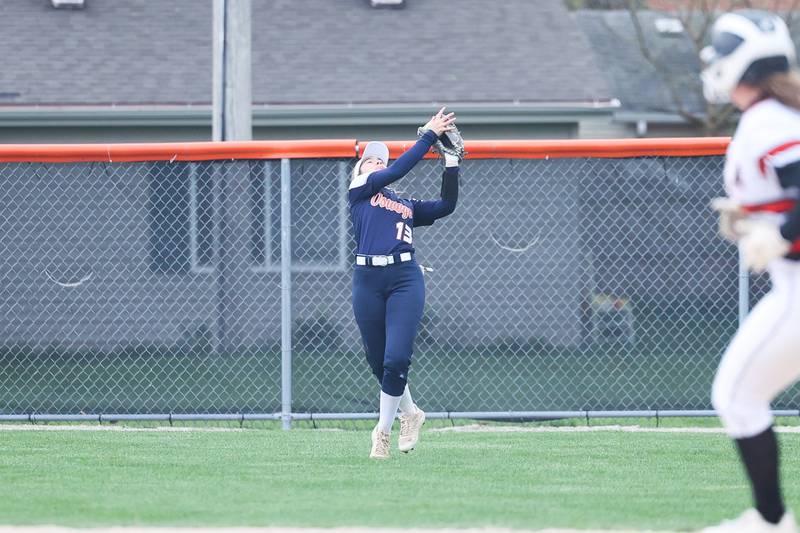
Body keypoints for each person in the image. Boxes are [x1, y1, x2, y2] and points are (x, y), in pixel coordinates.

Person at [703, 10, 800, 533]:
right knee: (739, 397)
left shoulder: (769, 122)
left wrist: (779, 233)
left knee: (737, 396)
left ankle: (771, 521)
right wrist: (761, 223)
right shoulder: (771, 117)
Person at [348, 107, 460, 459]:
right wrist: (428, 135)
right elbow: (398, 167)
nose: (378, 165)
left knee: (397, 358)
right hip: (367, 280)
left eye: (381, 162)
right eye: (371, 161)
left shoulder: (404, 203)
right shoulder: (359, 191)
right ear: (360, 170)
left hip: (404, 278)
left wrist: (452, 163)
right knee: (378, 361)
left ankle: (382, 431)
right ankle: (411, 413)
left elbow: (445, 206)